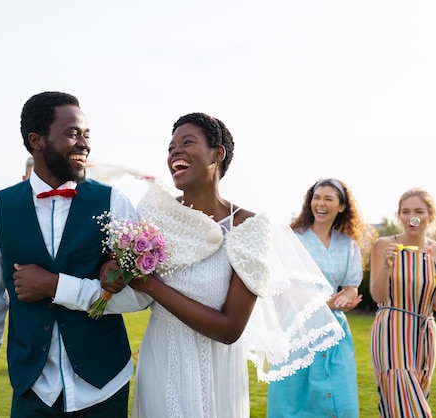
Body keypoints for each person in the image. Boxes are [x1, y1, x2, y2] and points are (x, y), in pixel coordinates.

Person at [102, 113, 344, 417]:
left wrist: (149, 284)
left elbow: (230, 328)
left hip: (219, 370)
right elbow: (126, 279)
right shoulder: (154, 211)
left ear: (218, 154)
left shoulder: (249, 228)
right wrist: (114, 269)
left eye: (187, 143)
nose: (175, 151)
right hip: (161, 359)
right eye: (171, 146)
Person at [0, 91, 151, 418]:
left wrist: (56, 286)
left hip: (104, 390)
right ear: (37, 140)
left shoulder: (114, 203)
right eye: (72, 134)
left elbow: (141, 297)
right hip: (32, 391)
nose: (84, 144)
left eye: (87, 135)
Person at [267, 178, 371, 417]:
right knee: (291, 400)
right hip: (296, 329)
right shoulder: (293, 239)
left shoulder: (348, 245)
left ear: (342, 206)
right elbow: (283, 287)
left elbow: (350, 286)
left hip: (334, 331)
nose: (321, 203)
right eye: (316, 197)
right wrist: (325, 303)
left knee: (340, 400)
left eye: (328, 198)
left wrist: (347, 299)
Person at [369, 187, 436, 417]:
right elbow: (377, 296)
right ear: (399, 216)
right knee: (406, 402)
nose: (410, 217)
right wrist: (386, 265)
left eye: (418, 211)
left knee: (401, 405)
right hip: (391, 331)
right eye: (405, 211)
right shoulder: (383, 245)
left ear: (430, 216)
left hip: (425, 335)